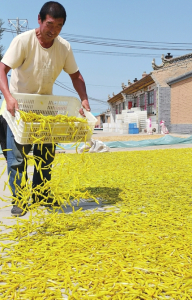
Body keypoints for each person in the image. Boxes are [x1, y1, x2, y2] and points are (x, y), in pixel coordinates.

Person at [0, 1, 91, 217]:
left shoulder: (64, 47)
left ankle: (41, 195)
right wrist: (8, 97)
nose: (54, 30)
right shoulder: (23, 41)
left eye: (59, 26)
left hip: (45, 110)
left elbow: (76, 75)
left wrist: (84, 100)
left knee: (45, 156)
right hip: (18, 109)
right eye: (50, 24)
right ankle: (20, 199)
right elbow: (2, 69)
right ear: (39, 20)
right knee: (18, 159)